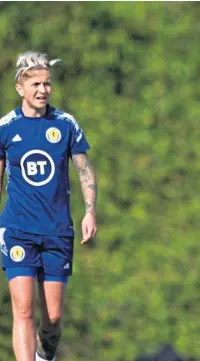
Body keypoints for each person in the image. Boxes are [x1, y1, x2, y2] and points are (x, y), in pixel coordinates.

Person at [0, 51, 97, 361]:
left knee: (52, 320)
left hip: (57, 232)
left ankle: (44, 357)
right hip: (17, 230)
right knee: (23, 309)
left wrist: (90, 211)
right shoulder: (6, 128)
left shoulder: (65, 124)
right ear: (20, 87)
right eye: (36, 84)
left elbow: (84, 169)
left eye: (47, 84)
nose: (43, 90)